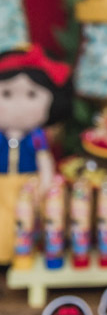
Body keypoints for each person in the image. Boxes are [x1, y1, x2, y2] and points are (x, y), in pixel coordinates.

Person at [0, 44, 71, 264]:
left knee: (36, 219)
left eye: (32, 94)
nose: (18, 104)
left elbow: (44, 160)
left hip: (30, 186)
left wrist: (45, 183)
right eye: (6, 94)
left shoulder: (37, 137)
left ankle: (35, 254)